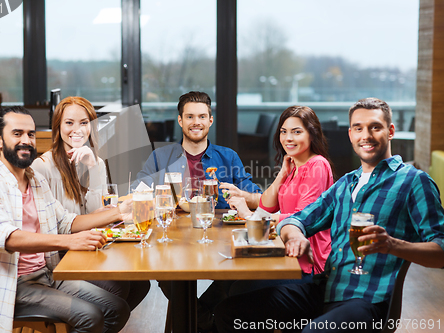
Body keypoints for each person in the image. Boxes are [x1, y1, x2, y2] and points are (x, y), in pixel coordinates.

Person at [214, 98, 444, 333]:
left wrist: (393, 245)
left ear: (390, 131)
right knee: (229, 312)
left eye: (375, 127)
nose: (365, 135)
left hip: (366, 301)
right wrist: (295, 235)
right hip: (325, 289)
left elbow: (441, 251)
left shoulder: (414, 181)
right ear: (350, 134)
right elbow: (297, 219)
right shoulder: (345, 184)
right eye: (358, 128)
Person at [0, 106, 133, 333]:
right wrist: (70, 241)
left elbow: (67, 222)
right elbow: (9, 239)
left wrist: (120, 212)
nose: (26, 140)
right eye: (17, 133)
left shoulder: (36, 181)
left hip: (47, 273)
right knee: (90, 316)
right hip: (14, 284)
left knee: (118, 308)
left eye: (31, 134)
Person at [31, 96, 150, 310]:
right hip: (60, 258)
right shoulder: (42, 167)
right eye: (69, 122)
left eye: (84, 123)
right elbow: (57, 227)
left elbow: (97, 217)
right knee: (117, 289)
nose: (76, 129)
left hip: (88, 249)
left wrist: (93, 167)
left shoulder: (96, 162)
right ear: (57, 127)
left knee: (141, 284)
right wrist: (113, 214)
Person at [226, 105, 333, 295]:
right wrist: (282, 173)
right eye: (283, 132)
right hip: (286, 253)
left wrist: (249, 216)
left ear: (312, 134)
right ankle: (204, 323)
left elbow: (300, 218)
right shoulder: (293, 164)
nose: (288, 138)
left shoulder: (317, 165)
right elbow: (267, 205)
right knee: (229, 282)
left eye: (296, 132)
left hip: (307, 265)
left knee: (237, 289)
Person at [134, 91, 262, 209]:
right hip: (170, 229)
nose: (196, 122)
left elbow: (261, 201)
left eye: (202, 117)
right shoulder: (159, 157)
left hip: (217, 230)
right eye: (190, 117)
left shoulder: (229, 157)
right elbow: (134, 194)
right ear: (180, 121)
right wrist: (156, 199)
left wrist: (242, 195)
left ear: (210, 121)